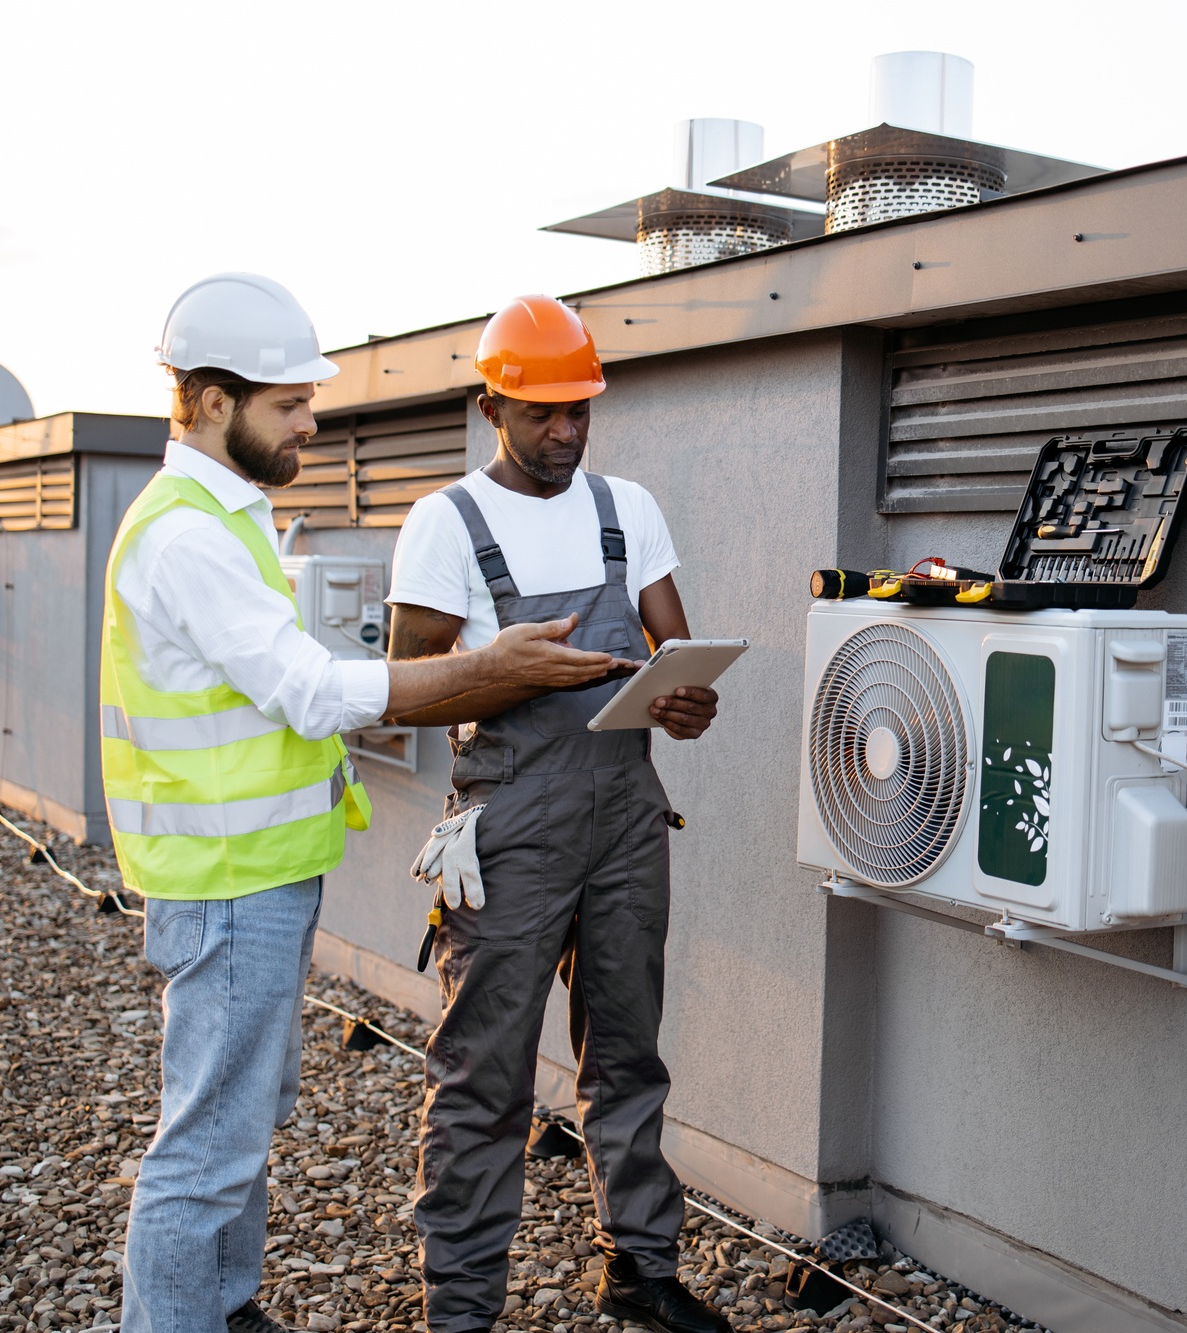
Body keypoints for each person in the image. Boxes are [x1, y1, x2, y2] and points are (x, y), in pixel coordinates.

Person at [109, 274, 630, 1333]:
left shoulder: (222, 518)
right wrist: (482, 673)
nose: (312, 418)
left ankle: (226, 1306)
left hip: (252, 870)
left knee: (242, 1118)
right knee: (206, 1145)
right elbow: (307, 690)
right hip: (223, 879)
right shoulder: (188, 536)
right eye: (288, 403)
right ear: (211, 402)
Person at [385, 294, 724, 1333]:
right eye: (545, 414)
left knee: (627, 1051)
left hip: (626, 819)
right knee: (482, 1072)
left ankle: (639, 1268)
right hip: (510, 831)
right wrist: (507, 671)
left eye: (581, 410)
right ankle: (461, 1310)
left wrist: (687, 703)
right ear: (494, 405)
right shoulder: (446, 523)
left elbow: (679, 671)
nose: (567, 433)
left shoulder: (627, 509)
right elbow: (405, 686)